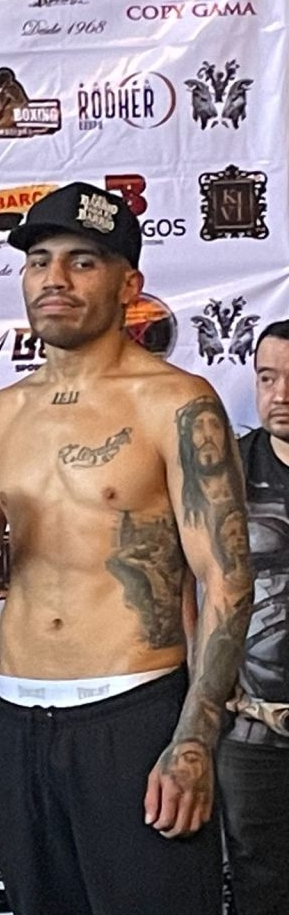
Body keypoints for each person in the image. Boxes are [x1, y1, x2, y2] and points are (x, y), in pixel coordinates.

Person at [0, 182, 253, 915]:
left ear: (128, 284)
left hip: (133, 713)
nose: (55, 279)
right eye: (39, 261)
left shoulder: (176, 403)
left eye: (82, 262)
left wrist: (194, 740)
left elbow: (227, 580)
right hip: (14, 719)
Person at [217, 319, 289, 915]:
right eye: (267, 378)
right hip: (254, 731)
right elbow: (188, 588)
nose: (280, 394)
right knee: (258, 890)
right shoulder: (226, 473)